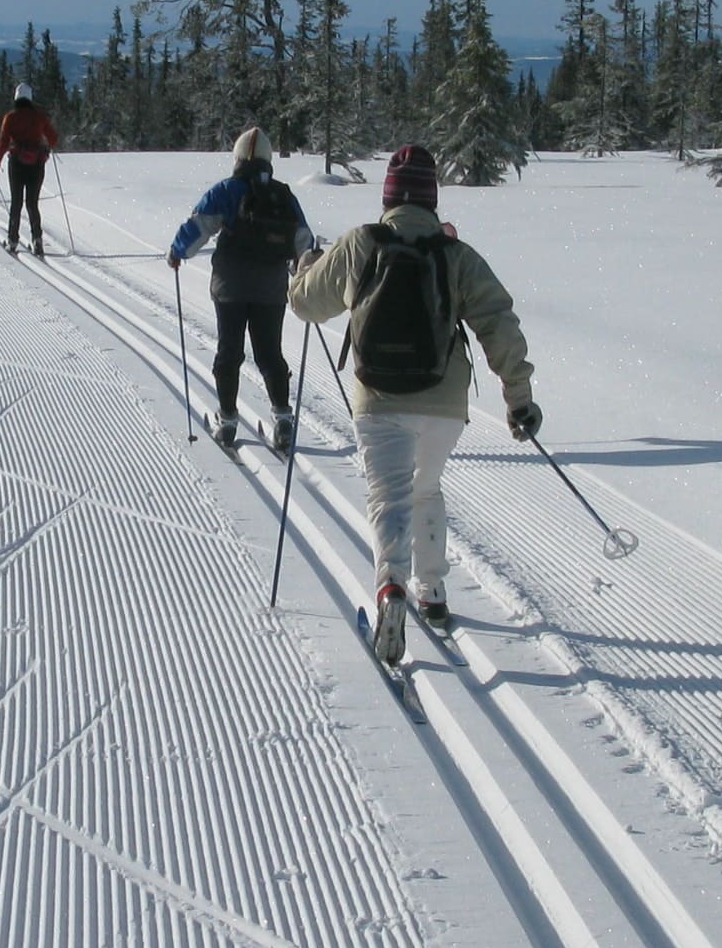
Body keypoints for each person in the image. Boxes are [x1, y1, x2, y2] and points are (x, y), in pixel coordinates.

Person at [286, 142, 539, 664]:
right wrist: (519, 398)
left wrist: (307, 264)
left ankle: (390, 589)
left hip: (377, 398)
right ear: (431, 198)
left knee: (388, 498)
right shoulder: (456, 254)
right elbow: (499, 323)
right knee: (426, 488)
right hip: (444, 404)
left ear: (388, 196)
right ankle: (433, 591)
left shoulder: (362, 243)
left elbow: (305, 305)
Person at [166, 127, 319, 456]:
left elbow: (198, 227)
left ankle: (228, 420)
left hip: (230, 286)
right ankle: (282, 417)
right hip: (271, 288)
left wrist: (178, 252)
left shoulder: (226, 190)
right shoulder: (284, 196)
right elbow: (304, 242)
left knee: (229, 351)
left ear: (237, 158)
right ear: (268, 159)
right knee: (269, 352)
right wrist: (306, 275)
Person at [0, 84, 60, 254]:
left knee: (16, 202)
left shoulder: (10, 118)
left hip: (17, 164)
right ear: (30, 98)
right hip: (37, 164)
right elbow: (54, 138)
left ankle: (13, 240)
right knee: (32, 203)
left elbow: (3, 144)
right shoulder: (39, 117)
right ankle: (37, 240)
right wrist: (45, 145)